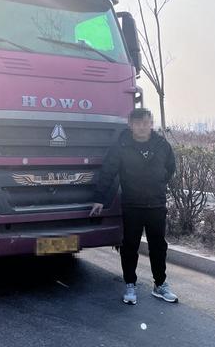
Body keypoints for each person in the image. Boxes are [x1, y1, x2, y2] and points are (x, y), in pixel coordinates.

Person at [90, 107, 178, 305]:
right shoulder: (121, 146)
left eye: (146, 123)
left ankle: (160, 285)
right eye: (137, 123)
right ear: (130, 125)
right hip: (132, 205)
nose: (142, 127)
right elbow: (108, 172)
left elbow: (170, 168)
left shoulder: (162, 145)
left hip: (156, 204)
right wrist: (99, 198)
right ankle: (130, 284)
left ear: (151, 124)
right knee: (130, 246)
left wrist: (158, 183)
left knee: (158, 246)